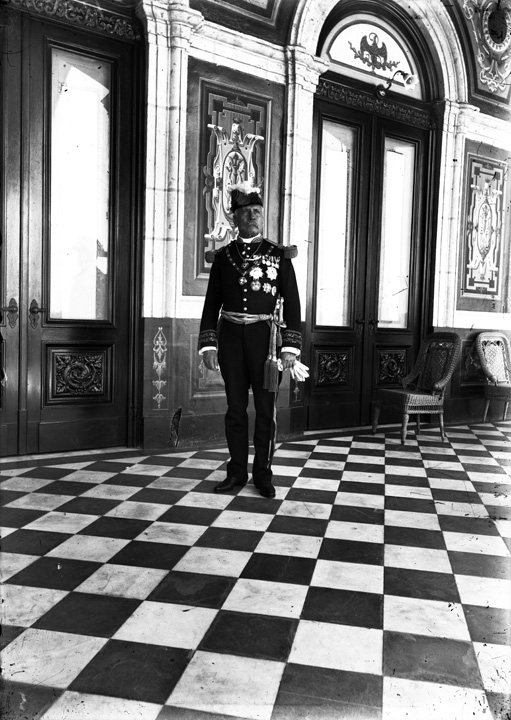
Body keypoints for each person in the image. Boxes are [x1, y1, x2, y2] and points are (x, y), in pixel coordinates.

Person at [198, 182, 302, 498]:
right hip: (230, 340)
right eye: (248, 213)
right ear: (237, 218)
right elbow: (211, 304)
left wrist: (290, 348)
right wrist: (208, 345)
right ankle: (236, 473)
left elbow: (294, 304)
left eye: (257, 212)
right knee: (235, 409)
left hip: (266, 342)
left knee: (266, 410)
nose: (254, 217)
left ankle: (263, 475)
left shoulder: (278, 255)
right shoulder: (223, 257)